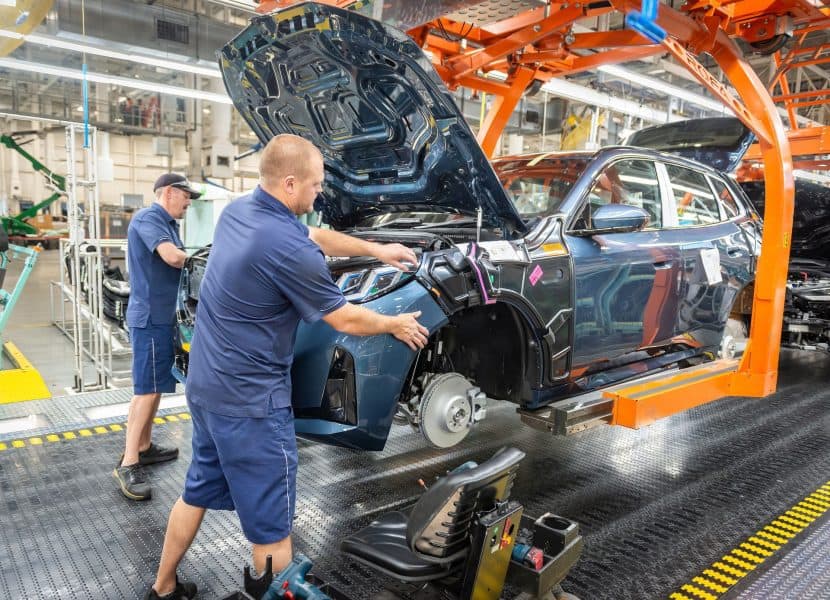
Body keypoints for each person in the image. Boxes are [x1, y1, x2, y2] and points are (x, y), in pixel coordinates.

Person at [145, 134, 428, 600]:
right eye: (315, 185)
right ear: (291, 183)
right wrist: (393, 323)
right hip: (251, 405)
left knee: (196, 490)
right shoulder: (288, 249)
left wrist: (377, 250)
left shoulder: (239, 212)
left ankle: (163, 587)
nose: (320, 193)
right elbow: (344, 318)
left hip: (207, 386)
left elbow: (314, 236)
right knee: (273, 529)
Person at [113, 173, 201, 501]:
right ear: (168, 192)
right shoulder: (149, 218)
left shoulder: (169, 223)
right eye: (186, 195)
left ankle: (145, 446)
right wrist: (214, 259)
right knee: (146, 390)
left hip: (164, 318)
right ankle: (129, 461)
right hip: (150, 318)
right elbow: (172, 257)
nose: (189, 202)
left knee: (157, 385)